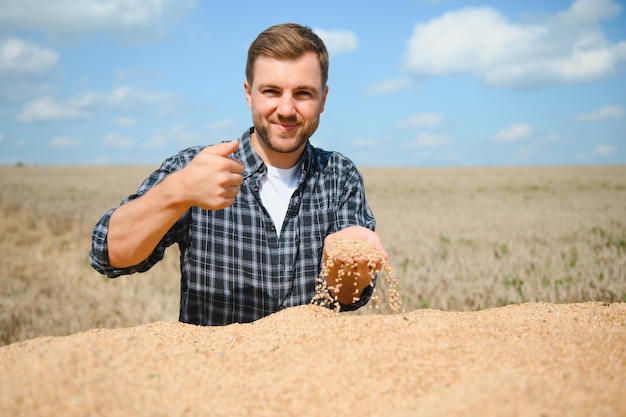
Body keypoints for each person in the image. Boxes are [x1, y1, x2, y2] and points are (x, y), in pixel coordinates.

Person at [90, 23, 387, 326]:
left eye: (303, 94)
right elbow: (108, 254)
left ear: (323, 99)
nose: (286, 109)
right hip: (216, 368)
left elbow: (349, 297)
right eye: (271, 91)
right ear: (249, 94)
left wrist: (347, 264)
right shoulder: (199, 167)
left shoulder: (339, 177)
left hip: (307, 372)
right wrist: (178, 191)